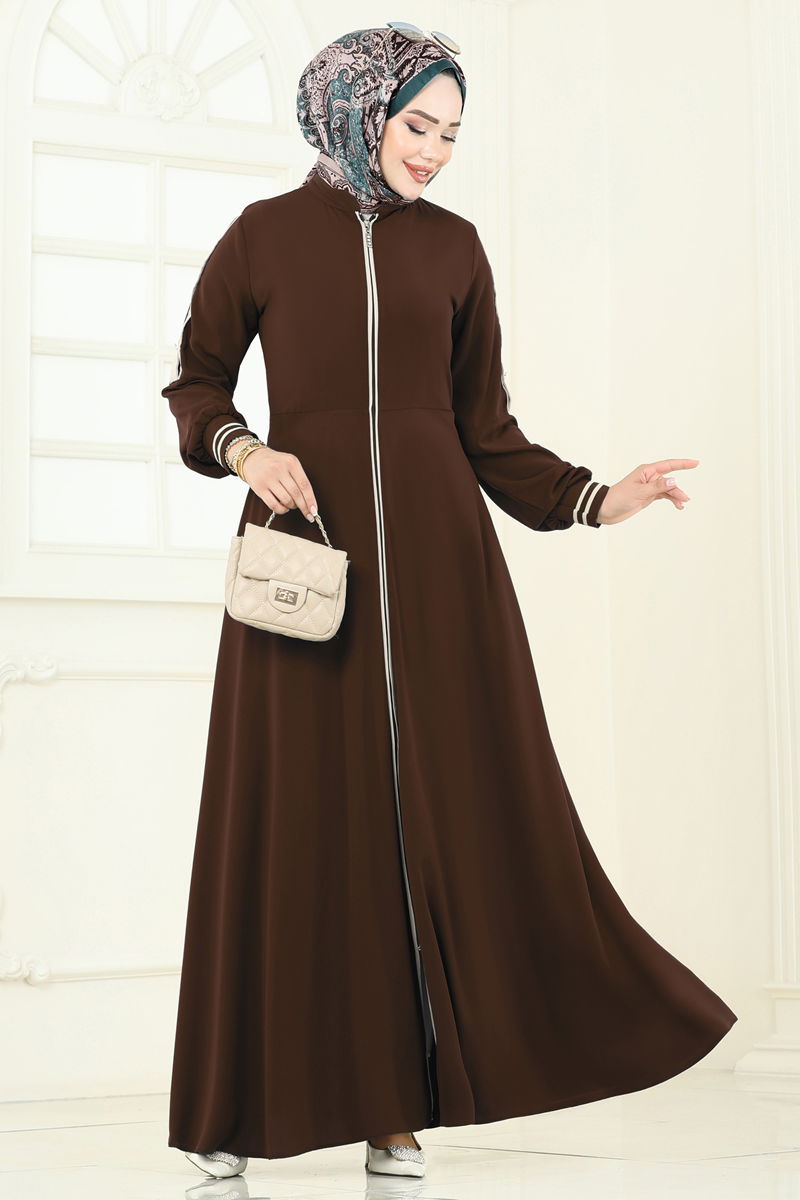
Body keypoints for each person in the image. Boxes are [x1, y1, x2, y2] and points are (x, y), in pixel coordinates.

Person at [163, 23, 737, 1183]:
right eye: (415, 124)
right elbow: (197, 382)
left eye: (451, 134)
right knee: (293, 828)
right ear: (356, 111)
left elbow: (486, 429)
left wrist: (596, 498)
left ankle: (394, 1109)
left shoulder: (456, 249)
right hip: (306, 567)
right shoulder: (262, 235)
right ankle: (233, 1108)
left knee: (439, 823)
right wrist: (243, 451)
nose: (432, 150)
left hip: (439, 572)